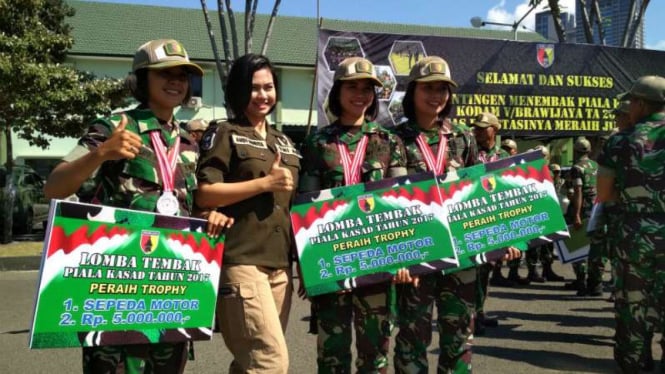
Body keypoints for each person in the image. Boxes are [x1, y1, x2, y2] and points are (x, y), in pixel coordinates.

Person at [43, 39, 232, 374]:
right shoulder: (113, 127)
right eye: (165, 74)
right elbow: (54, 187)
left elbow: (187, 207)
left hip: (171, 286)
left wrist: (208, 217)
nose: (176, 82)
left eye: (182, 76)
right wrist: (100, 154)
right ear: (142, 79)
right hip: (118, 285)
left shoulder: (188, 141)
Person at [298, 56, 408, 374]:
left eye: (367, 88)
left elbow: (399, 204)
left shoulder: (389, 142)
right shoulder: (318, 143)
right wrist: (309, 266)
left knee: (375, 356)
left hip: (378, 261)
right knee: (332, 355)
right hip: (331, 261)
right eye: (352, 87)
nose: (360, 94)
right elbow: (306, 207)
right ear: (337, 92)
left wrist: (402, 258)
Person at [195, 53, 300, 374]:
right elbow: (205, 192)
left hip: (281, 268)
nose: (263, 95)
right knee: (269, 362)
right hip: (241, 262)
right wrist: (265, 182)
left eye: (269, 87)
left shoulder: (285, 141)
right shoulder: (224, 132)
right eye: (254, 88)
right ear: (239, 91)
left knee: (250, 362)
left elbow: (294, 208)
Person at [596, 75, 665, 373]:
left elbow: (604, 193)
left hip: (634, 237)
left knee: (633, 308)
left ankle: (636, 364)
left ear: (638, 103)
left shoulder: (619, 141)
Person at [469, 112, 526, 333]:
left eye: (484, 127)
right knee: (474, 272)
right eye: (476, 127)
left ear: (495, 129)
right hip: (474, 222)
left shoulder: (504, 156)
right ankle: (471, 316)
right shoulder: (470, 153)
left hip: (496, 224)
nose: (478, 131)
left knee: (486, 272)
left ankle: (479, 312)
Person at [565, 137, 605, 296]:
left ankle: (581, 281)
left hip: (584, 210)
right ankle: (596, 284)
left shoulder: (577, 168)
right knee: (596, 247)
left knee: (579, 246)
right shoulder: (596, 166)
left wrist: (576, 214)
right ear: (589, 151)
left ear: (575, 151)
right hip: (598, 210)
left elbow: (578, 191)